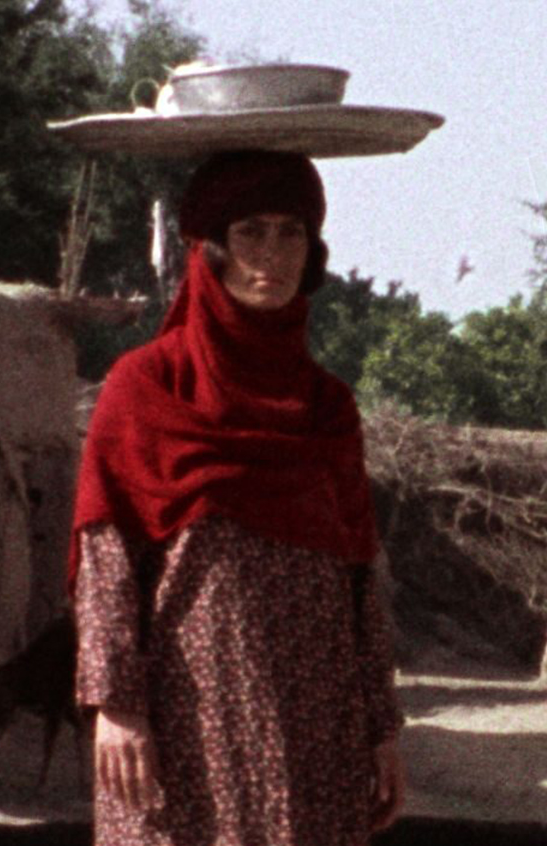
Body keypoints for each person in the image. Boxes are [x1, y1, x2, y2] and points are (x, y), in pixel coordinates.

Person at [69, 149, 406, 846]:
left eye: (291, 233)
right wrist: (117, 702)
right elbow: (104, 557)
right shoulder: (145, 388)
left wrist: (383, 726)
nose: (272, 255)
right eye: (251, 231)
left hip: (317, 724)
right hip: (186, 717)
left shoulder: (326, 407)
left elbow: (358, 577)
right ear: (210, 248)